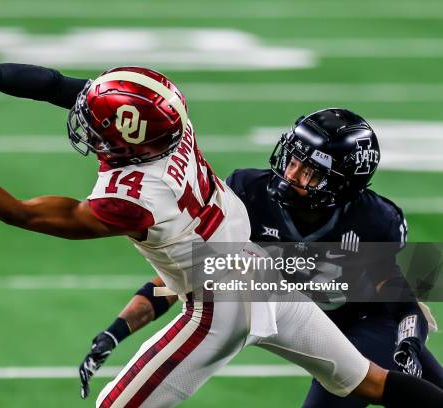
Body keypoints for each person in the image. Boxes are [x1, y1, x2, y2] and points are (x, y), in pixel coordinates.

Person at [0, 52, 443, 407]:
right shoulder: (175, 124)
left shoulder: (134, 200)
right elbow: (63, 86)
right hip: (252, 270)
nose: (87, 126)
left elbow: (22, 214)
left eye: (101, 129)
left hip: (223, 304)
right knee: (370, 382)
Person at [79, 107, 443, 407]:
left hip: (362, 322)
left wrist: (407, 342)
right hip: (299, 316)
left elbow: (402, 300)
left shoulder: (378, 220)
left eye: (311, 172)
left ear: (343, 184)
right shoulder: (248, 192)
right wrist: (117, 330)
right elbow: (184, 276)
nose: (291, 174)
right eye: (293, 160)